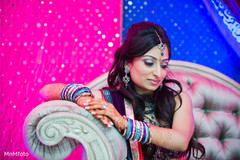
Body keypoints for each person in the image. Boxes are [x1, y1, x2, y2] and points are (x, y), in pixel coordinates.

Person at [40, 22, 205, 160]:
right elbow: (46, 91)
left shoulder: (177, 100)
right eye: (149, 62)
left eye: (163, 65)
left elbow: (181, 141)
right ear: (127, 63)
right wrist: (81, 97)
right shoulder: (112, 101)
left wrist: (124, 124)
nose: (158, 73)